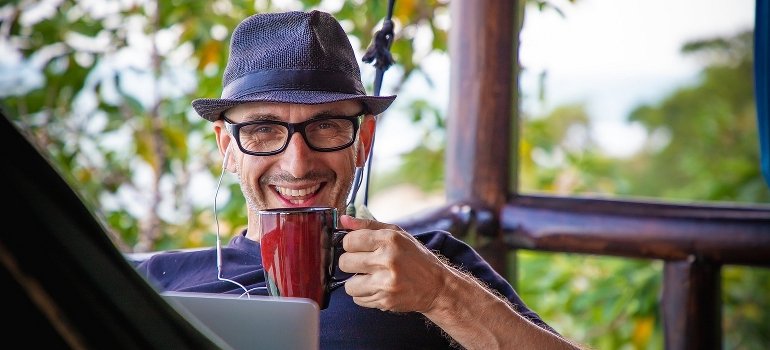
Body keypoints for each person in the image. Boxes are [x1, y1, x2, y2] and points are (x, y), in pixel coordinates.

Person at [136, 10, 580, 350]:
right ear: (227, 147)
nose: (297, 163)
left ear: (363, 140)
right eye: (263, 130)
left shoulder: (430, 265)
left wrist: (442, 294)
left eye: (326, 126)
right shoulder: (157, 280)